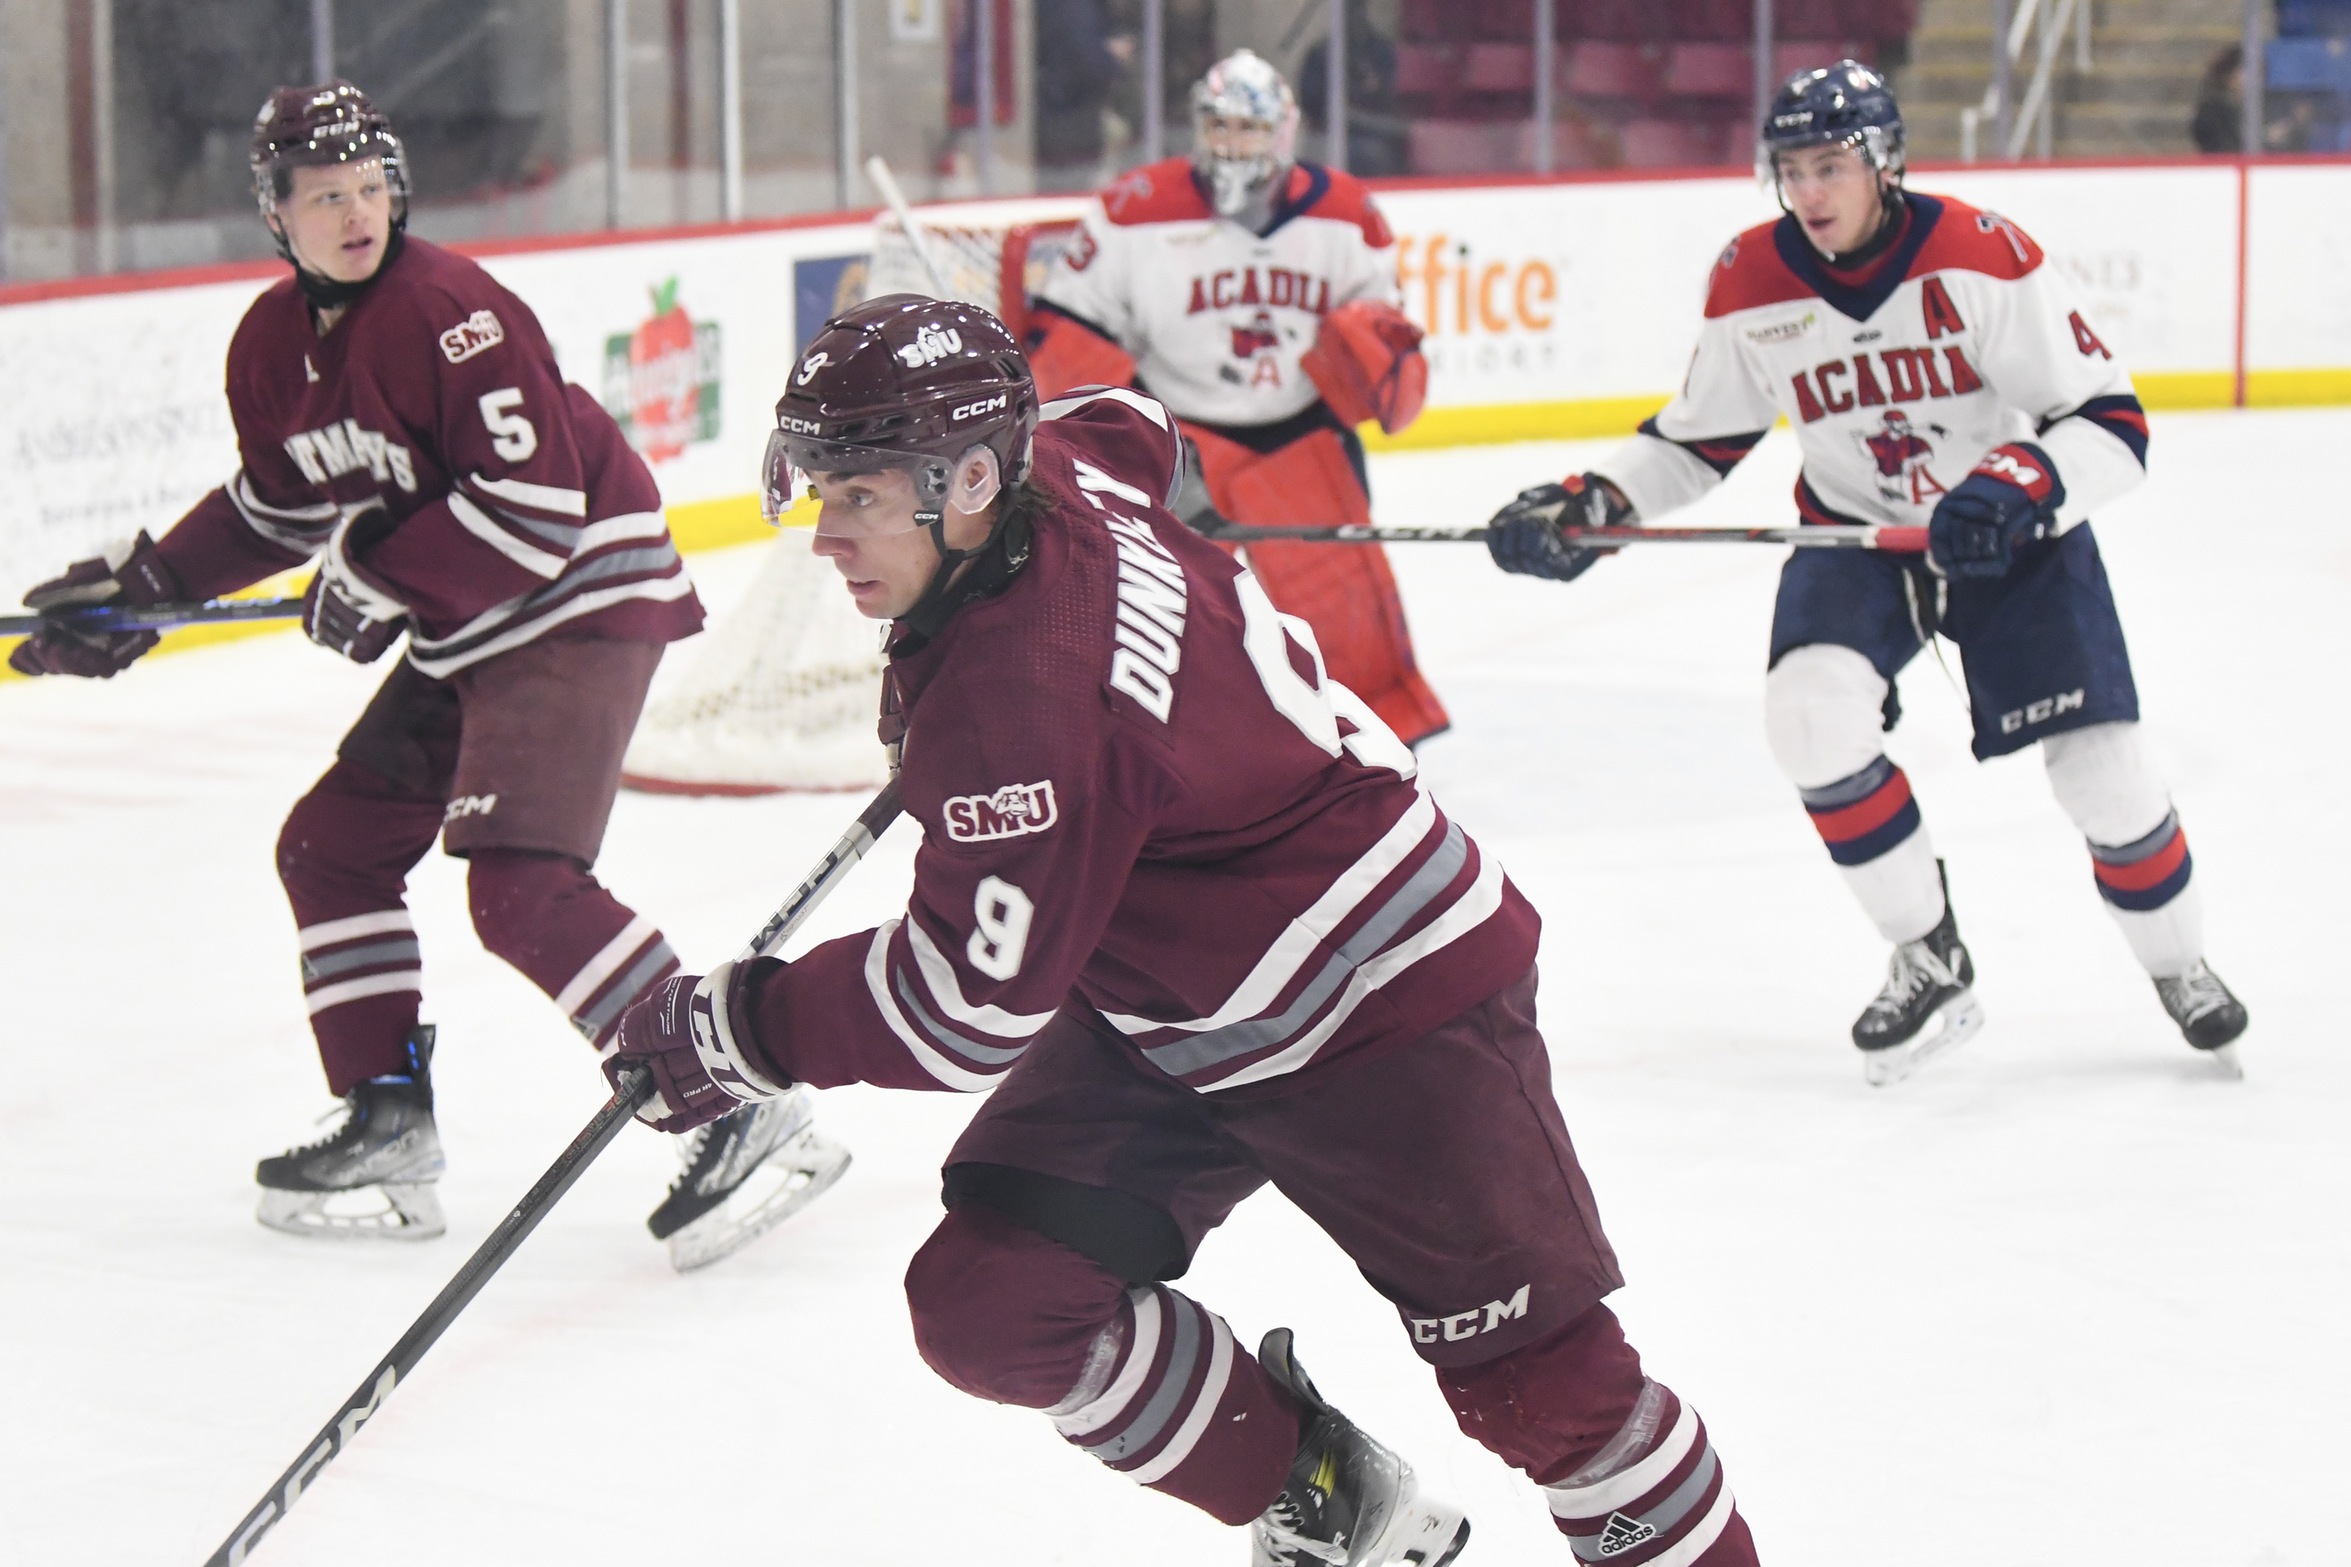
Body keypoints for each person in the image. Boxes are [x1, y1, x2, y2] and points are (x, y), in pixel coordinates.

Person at [606, 294, 1762, 1565]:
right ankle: (1329, 1492)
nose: (826, 536)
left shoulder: (1023, 705)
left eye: (861, 496)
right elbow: (1144, 423)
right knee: (996, 1304)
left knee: (1549, 1399)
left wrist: (740, 1027)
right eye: (819, 489)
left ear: (973, 480)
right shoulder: (1067, 460)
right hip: (1177, 1000)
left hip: (1384, 1000)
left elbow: (962, 1008)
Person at [7, 81, 846, 1264]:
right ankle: (387, 1118)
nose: (356, 213)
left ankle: (734, 1096)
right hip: (471, 627)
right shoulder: (269, 346)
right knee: (330, 846)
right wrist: (135, 596)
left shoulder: (453, 307)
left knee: (519, 886)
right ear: (276, 216)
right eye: (324, 197)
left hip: (575, 603)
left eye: (368, 189)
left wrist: (379, 576)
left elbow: (539, 509)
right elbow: (274, 505)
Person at [1483, 62, 2250, 1084]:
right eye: (1790, 170)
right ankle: (1926, 951)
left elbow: (2110, 423)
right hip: (1854, 536)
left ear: (1883, 162)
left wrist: (2019, 481)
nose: (1808, 193)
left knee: (2101, 776)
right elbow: (1696, 440)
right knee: (1805, 717)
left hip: (2008, 537)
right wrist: (1592, 503)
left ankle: (2177, 962)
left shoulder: (1981, 256)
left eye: (1830, 165)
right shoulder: (1749, 276)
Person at [1024, 48, 1451, 747]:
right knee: (1154, 602)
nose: (1232, 143)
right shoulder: (1135, 209)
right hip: (1178, 433)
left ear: (1283, 132)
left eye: (1249, 129)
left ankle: (1361, 736)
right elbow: (1072, 335)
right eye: (1219, 125)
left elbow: (1378, 332)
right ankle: (1147, 734)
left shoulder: (1348, 216)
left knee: (1338, 604)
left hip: (1298, 433)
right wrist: (1123, 443)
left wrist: (1382, 363)